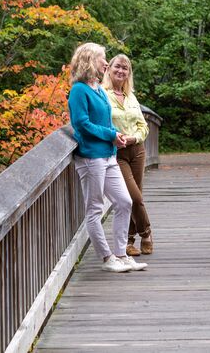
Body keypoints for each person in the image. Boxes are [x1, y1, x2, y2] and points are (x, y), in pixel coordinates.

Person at [67, 42, 147, 273]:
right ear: (90, 60)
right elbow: (81, 123)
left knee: (124, 202)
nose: (106, 62)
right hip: (91, 157)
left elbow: (106, 121)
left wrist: (117, 135)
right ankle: (107, 258)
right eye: (103, 58)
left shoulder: (99, 89)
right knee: (94, 209)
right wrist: (111, 134)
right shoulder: (79, 90)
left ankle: (121, 254)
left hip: (109, 155)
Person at [102, 54, 153, 257]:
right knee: (133, 197)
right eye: (117, 67)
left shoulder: (130, 96)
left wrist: (135, 138)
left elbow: (144, 125)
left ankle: (129, 242)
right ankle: (147, 233)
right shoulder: (103, 94)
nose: (121, 71)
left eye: (125, 68)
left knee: (136, 195)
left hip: (137, 150)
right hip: (117, 152)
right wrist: (118, 137)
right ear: (109, 69)